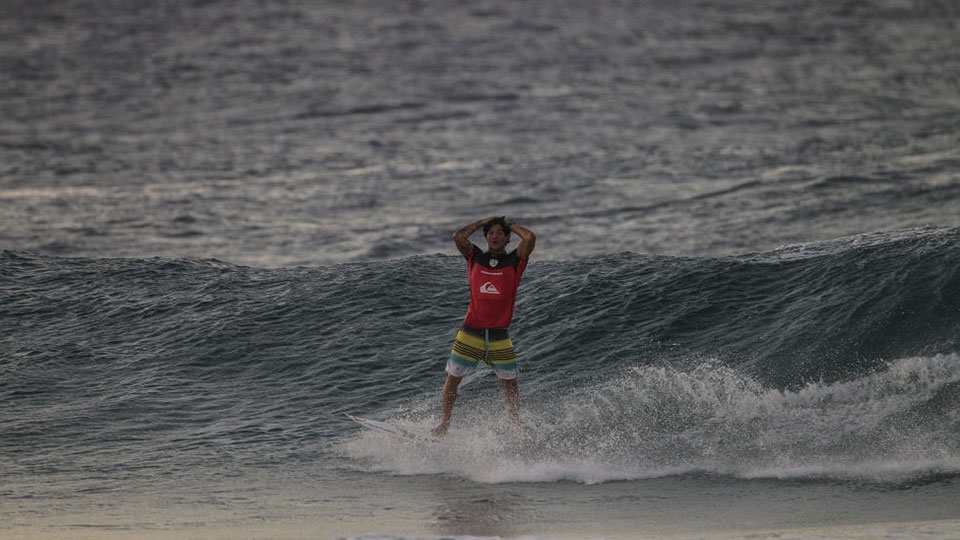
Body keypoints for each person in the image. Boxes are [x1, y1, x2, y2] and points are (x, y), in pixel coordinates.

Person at [432, 215, 537, 436]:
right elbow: (458, 236)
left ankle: (515, 426)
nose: (495, 236)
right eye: (490, 233)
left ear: (507, 238)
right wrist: (481, 223)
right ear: (486, 237)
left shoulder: (515, 261)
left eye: (500, 233)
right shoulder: (474, 257)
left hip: (499, 335)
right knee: (453, 380)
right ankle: (444, 424)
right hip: (471, 331)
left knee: (510, 385)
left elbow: (529, 237)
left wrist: (509, 225)